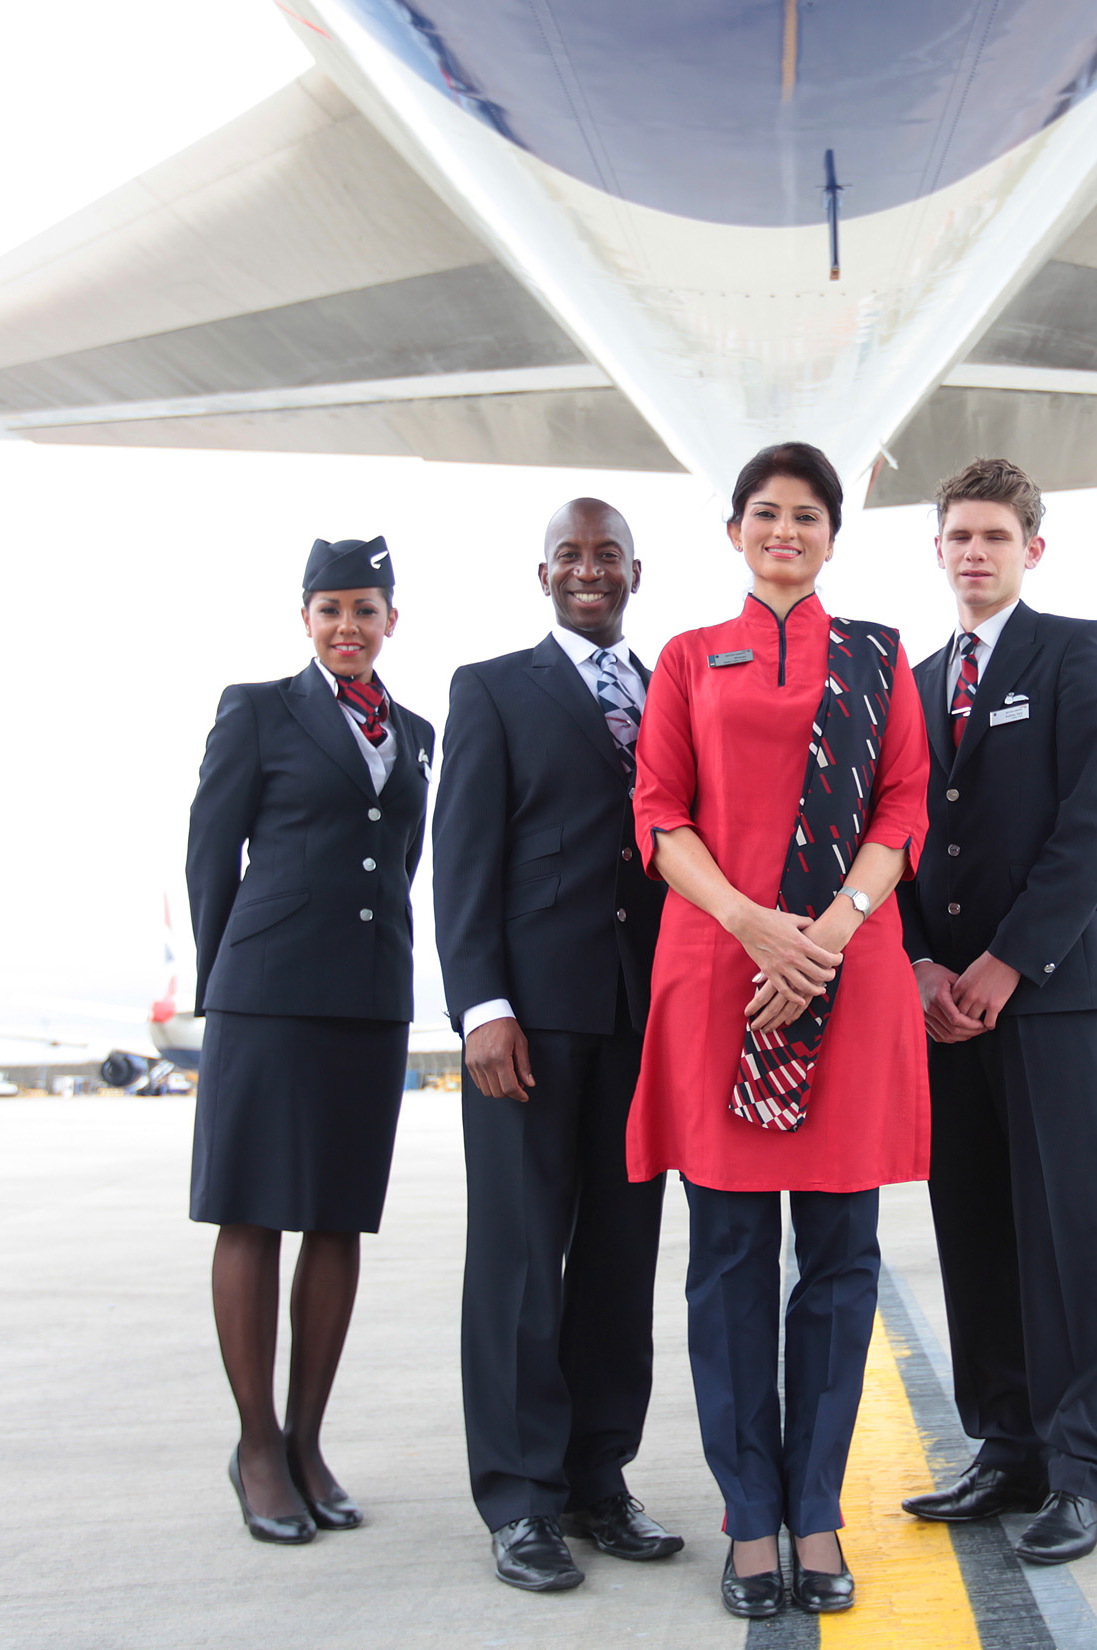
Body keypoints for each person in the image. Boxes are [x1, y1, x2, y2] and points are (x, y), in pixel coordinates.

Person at [624, 442, 930, 1619]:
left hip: (846, 979)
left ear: (833, 536)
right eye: (765, 512)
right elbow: (659, 814)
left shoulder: (878, 658)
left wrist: (831, 932)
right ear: (735, 530)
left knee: (842, 1264)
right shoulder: (688, 658)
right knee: (730, 1264)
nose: (784, 530)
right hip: (721, 975)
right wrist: (755, 924)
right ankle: (750, 1516)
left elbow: (902, 806)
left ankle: (816, 1511)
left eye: (806, 514)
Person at [432, 498, 681, 1593]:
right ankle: (520, 1498)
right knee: (522, 1260)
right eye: (570, 557)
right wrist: (480, 1006)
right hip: (527, 1023)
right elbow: (461, 859)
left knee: (621, 1260)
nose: (589, 570)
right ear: (543, 576)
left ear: (634, 572)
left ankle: (596, 1478)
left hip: (641, 1017)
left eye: (607, 555)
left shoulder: (669, 691)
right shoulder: (492, 689)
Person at [897, 457, 1097, 1565]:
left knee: (1066, 1230)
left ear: (1030, 550)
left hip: (1044, 995)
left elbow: (1093, 821)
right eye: (960, 536)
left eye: (995, 536)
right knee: (976, 1227)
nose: (976, 552)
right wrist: (917, 963)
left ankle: (1082, 1466)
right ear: (938, 550)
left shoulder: (1077, 651)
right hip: (944, 1006)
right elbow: (899, 829)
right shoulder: (915, 676)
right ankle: (1009, 1446)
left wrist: (1007, 962)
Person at [184, 535, 433, 1544]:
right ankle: (255, 1445)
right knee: (251, 1214)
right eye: (329, 609)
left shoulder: (415, 730)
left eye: (364, 609)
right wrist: (226, 980)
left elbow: (401, 858)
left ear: (390, 621)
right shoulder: (256, 709)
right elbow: (211, 853)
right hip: (267, 994)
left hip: (367, 998)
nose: (347, 626)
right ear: (305, 619)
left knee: (337, 1221)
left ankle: (306, 1442)